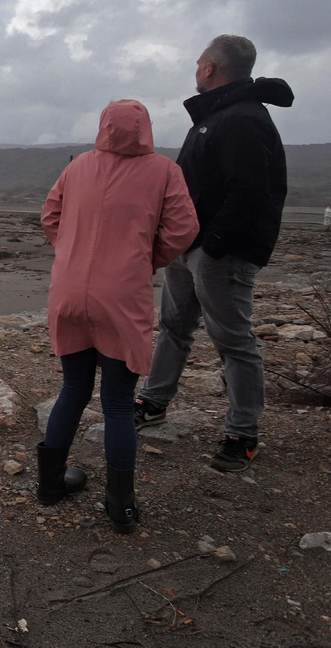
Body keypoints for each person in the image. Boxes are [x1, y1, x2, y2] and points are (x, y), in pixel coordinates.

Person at [135, 35, 294, 472]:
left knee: (233, 340)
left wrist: (213, 244)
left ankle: (243, 432)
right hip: (191, 247)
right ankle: (153, 400)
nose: (196, 69)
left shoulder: (242, 119)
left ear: (209, 68)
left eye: (199, 63)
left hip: (218, 252)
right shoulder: (216, 115)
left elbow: (252, 192)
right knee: (174, 325)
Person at [39, 100, 198, 533]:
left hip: (69, 292)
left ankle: (50, 484)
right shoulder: (164, 170)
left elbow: (50, 216)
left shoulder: (79, 167)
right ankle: (120, 505)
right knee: (118, 403)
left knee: (73, 387)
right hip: (123, 296)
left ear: (104, 126)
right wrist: (146, 259)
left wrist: (71, 251)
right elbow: (184, 229)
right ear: (145, 128)